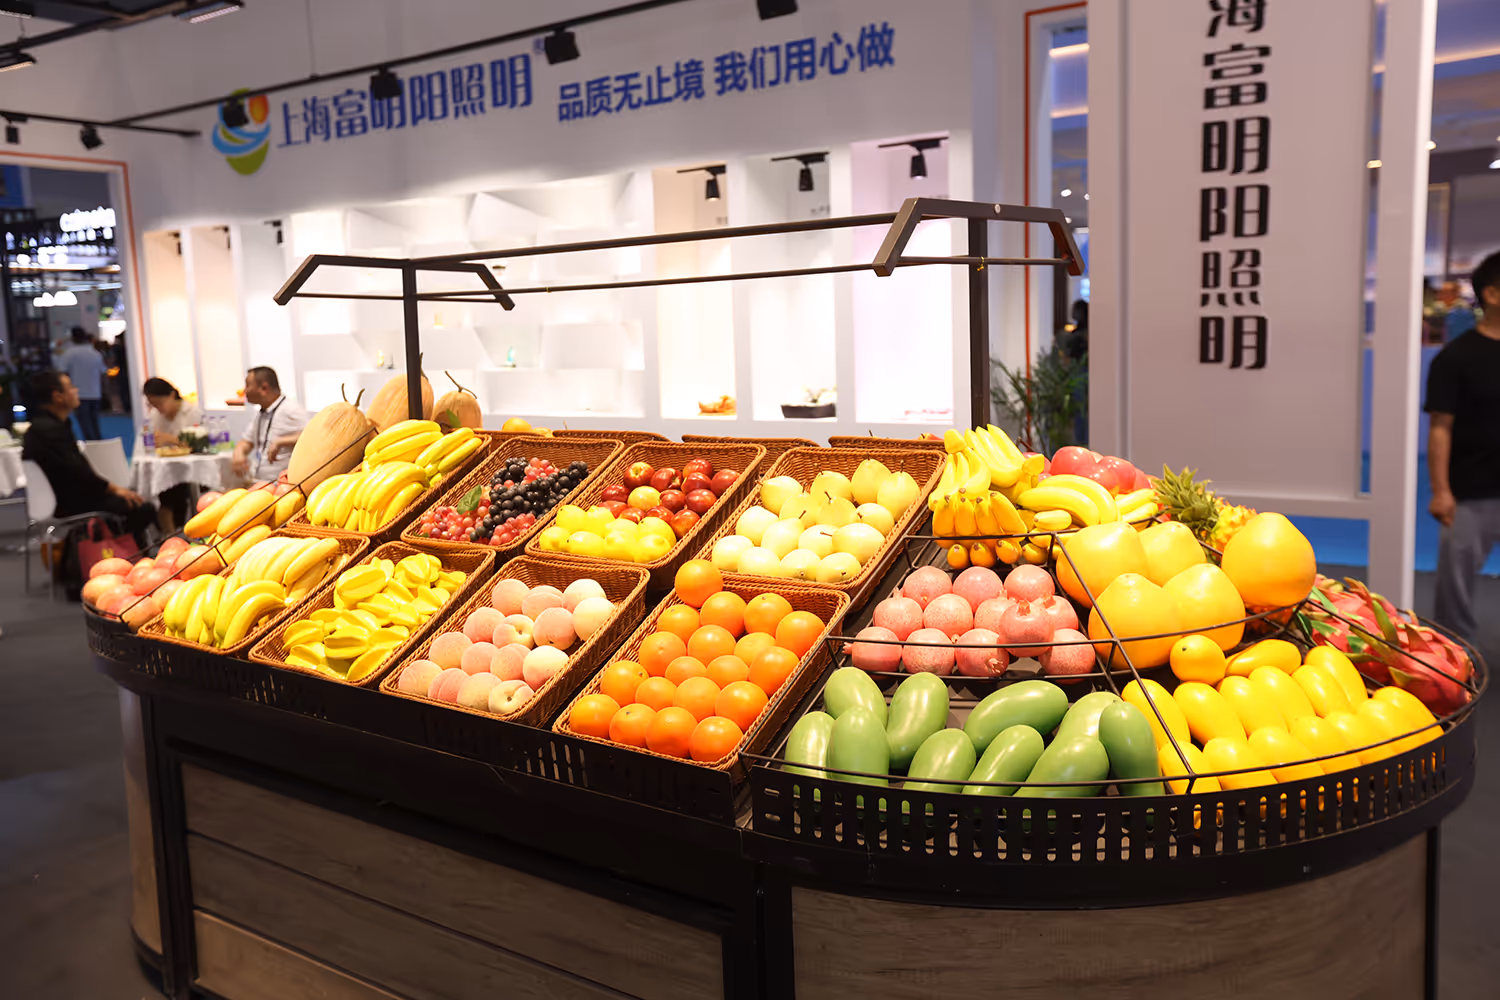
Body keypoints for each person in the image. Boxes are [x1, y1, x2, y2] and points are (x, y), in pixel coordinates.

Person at [1425, 250, 1500, 640]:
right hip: (1471, 493)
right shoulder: (1455, 358)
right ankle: (1454, 661)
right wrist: (1441, 491)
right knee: (1455, 599)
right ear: (1492, 294)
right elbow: (1440, 427)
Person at [21, 370, 156, 544]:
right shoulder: (49, 430)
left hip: (67, 497)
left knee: (133, 502)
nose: (76, 390)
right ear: (57, 396)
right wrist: (115, 490)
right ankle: (113, 548)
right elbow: (78, 473)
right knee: (142, 507)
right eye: (71, 387)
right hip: (70, 502)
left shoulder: (46, 427)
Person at [142, 377, 205, 529]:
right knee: (164, 488)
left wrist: (170, 439)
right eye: (153, 405)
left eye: (160, 403)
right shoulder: (155, 415)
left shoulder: (191, 412)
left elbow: (198, 443)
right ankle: (169, 531)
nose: (158, 409)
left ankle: (171, 531)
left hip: (191, 467)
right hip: (165, 468)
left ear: (171, 395)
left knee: (171, 492)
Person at [231, 366, 308, 483]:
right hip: (259, 482)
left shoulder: (291, 409)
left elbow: (311, 436)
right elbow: (247, 441)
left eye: (247, 385)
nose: (244, 391)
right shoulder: (260, 413)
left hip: (283, 485)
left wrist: (281, 441)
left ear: (264, 388)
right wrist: (239, 453)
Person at [56, 327, 107, 440]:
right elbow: (103, 372)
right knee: (94, 423)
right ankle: (99, 444)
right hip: (95, 392)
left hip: (78, 394)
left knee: (85, 424)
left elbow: (61, 372)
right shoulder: (95, 353)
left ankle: (92, 445)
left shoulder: (69, 353)